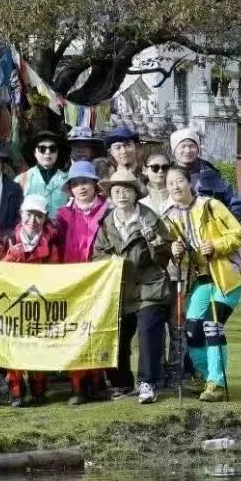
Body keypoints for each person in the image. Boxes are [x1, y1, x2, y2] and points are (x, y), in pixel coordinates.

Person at [164, 164, 241, 402]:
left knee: (213, 325)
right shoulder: (171, 217)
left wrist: (215, 246)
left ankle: (217, 383)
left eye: (179, 181)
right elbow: (182, 259)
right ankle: (206, 376)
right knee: (192, 329)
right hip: (202, 278)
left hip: (228, 275)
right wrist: (176, 252)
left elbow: (239, 234)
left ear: (189, 183)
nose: (175, 186)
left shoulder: (211, 205)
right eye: (170, 183)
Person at [92, 167, 174, 403]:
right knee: (116, 335)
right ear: (110, 195)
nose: (122, 195)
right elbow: (98, 255)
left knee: (148, 333)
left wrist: (154, 242)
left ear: (135, 193)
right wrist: (112, 261)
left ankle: (148, 382)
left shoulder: (151, 219)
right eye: (117, 191)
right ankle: (121, 383)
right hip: (120, 289)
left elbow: (166, 254)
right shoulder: (106, 223)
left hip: (150, 287)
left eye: (127, 190)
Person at [52, 160, 111, 404]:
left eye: (85, 182)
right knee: (75, 331)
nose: (81, 187)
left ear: (95, 184)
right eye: (76, 184)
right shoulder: (63, 215)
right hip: (73, 281)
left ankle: (97, 382)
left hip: (100, 280)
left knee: (97, 330)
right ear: (70, 189)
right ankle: (78, 385)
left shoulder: (108, 210)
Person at [1, 192, 56, 406]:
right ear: (21, 214)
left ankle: (38, 387)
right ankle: (16, 390)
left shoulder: (51, 245)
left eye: (39, 216)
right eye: (29, 214)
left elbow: (56, 275)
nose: (33, 220)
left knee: (38, 346)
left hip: (39, 304)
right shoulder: (9, 240)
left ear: (45, 219)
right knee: (14, 346)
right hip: (15, 303)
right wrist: (12, 255)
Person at [170, 126, 241, 222]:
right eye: (183, 146)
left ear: (198, 149)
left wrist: (228, 223)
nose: (188, 150)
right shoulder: (163, 174)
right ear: (174, 150)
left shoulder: (213, 175)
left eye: (192, 146)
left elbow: (236, 202)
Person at [17, 126, 69, 218]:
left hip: (61, 227)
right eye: (42, 149)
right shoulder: (21, 180)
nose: (48, 152)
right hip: (32, 226)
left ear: (57, 152)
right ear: (35, 153)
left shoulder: (68, 180)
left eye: (52, 148)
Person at [140, 148, 173, 217]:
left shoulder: (179, 194)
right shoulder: (138, 197)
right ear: (144, 170)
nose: (160, 171)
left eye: (165, 167)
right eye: (155, 167)